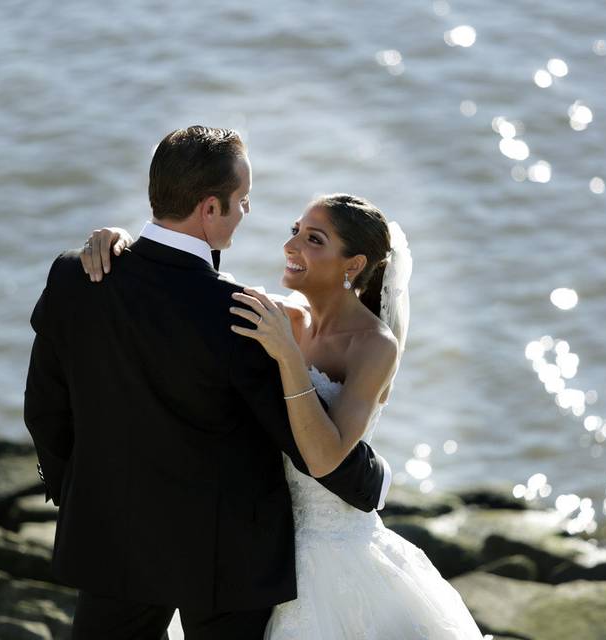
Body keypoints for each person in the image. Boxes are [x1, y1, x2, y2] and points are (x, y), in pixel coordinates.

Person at [24, 126, 392, 640]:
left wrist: (80, 493)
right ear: (210, 208)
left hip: (113, 539)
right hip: (224, 559)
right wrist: (371, 481)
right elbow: (300, 438)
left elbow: (44, 408)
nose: (247, 212)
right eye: (241, 201)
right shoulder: (240, 317)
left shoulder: (76, 276)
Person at [84, 194, 482, 638]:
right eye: (294, 231)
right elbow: (189, 289)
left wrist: (289, 357)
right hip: (259, 543)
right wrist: (125, 246)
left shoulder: (373, 346)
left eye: (314, 239)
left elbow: (326, 457)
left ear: (353, 265)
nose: (292, 246)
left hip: (335, 550)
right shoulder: (281, 314)